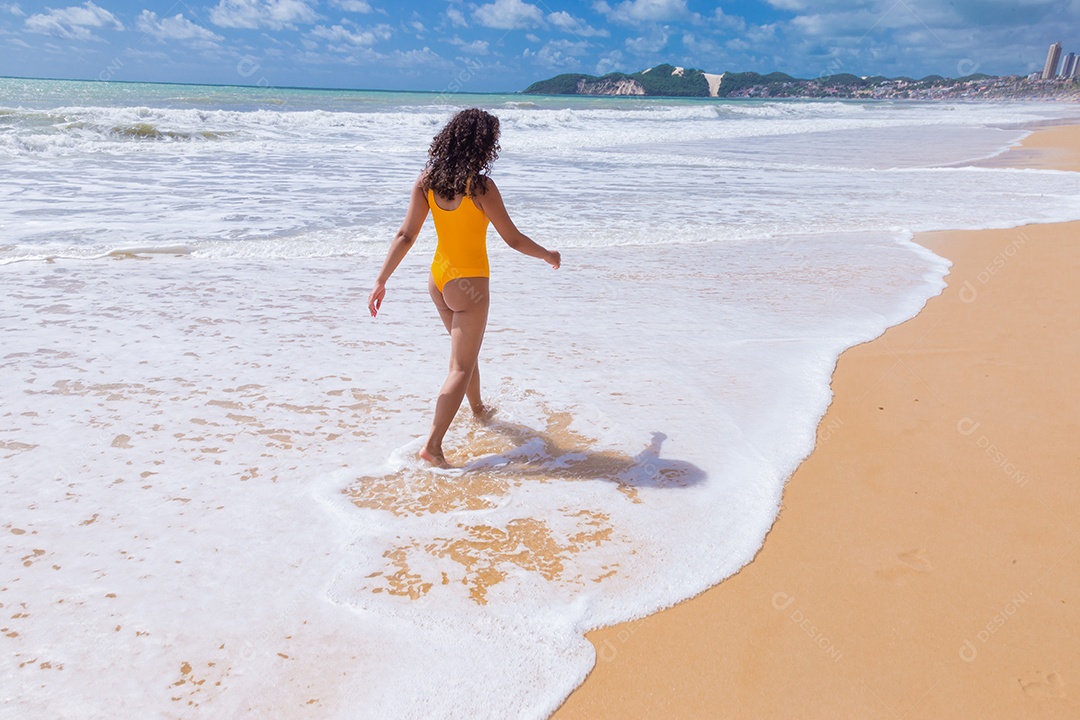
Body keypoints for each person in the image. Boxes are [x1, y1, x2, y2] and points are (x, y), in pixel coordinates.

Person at [367, 108, 560, 468]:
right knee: (459, 366)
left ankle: (478, 408)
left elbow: (406, 235)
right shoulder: (481, 187)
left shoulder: (427, 181)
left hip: (439, 280)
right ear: (485, 145)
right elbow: (514, 239)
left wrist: (381, 280)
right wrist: (548, 254)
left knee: (463, 359)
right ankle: (433, 446)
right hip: (469, 283)